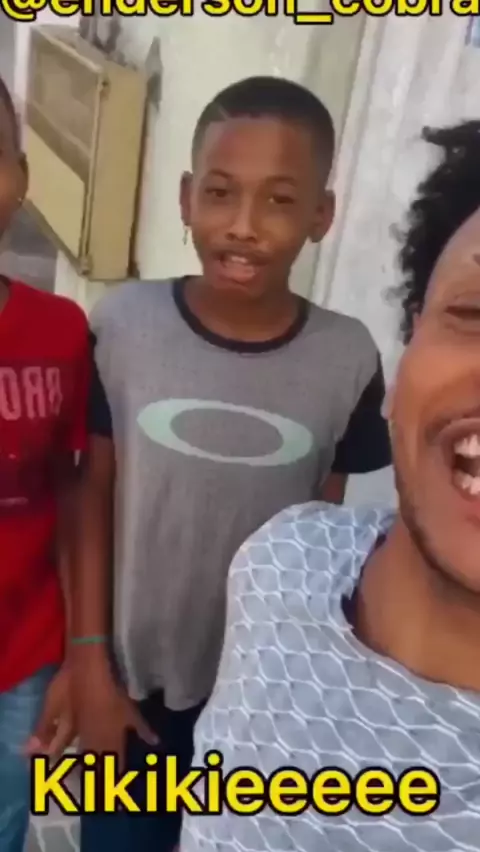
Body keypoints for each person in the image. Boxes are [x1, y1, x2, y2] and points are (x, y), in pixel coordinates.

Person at [72, 76, 391, 852]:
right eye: (220, 193)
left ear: (322, 215)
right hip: (131, 695)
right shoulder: (123, 325)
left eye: (280, 200)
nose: (244, 226)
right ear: (186, 199)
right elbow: (91, 494)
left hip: (261, 700)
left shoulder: (348, 358)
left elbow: (319, 530)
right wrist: (88, 665)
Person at [180, 119, 480, 852]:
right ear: (409, 350)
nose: (245, 225)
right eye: (476, 314)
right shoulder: (282, 559)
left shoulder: (338, 354)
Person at [0, 77, 90, 852]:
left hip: (25, 655)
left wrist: (78, 656)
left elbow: (72, 490)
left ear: (20, 176)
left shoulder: (61, 332)